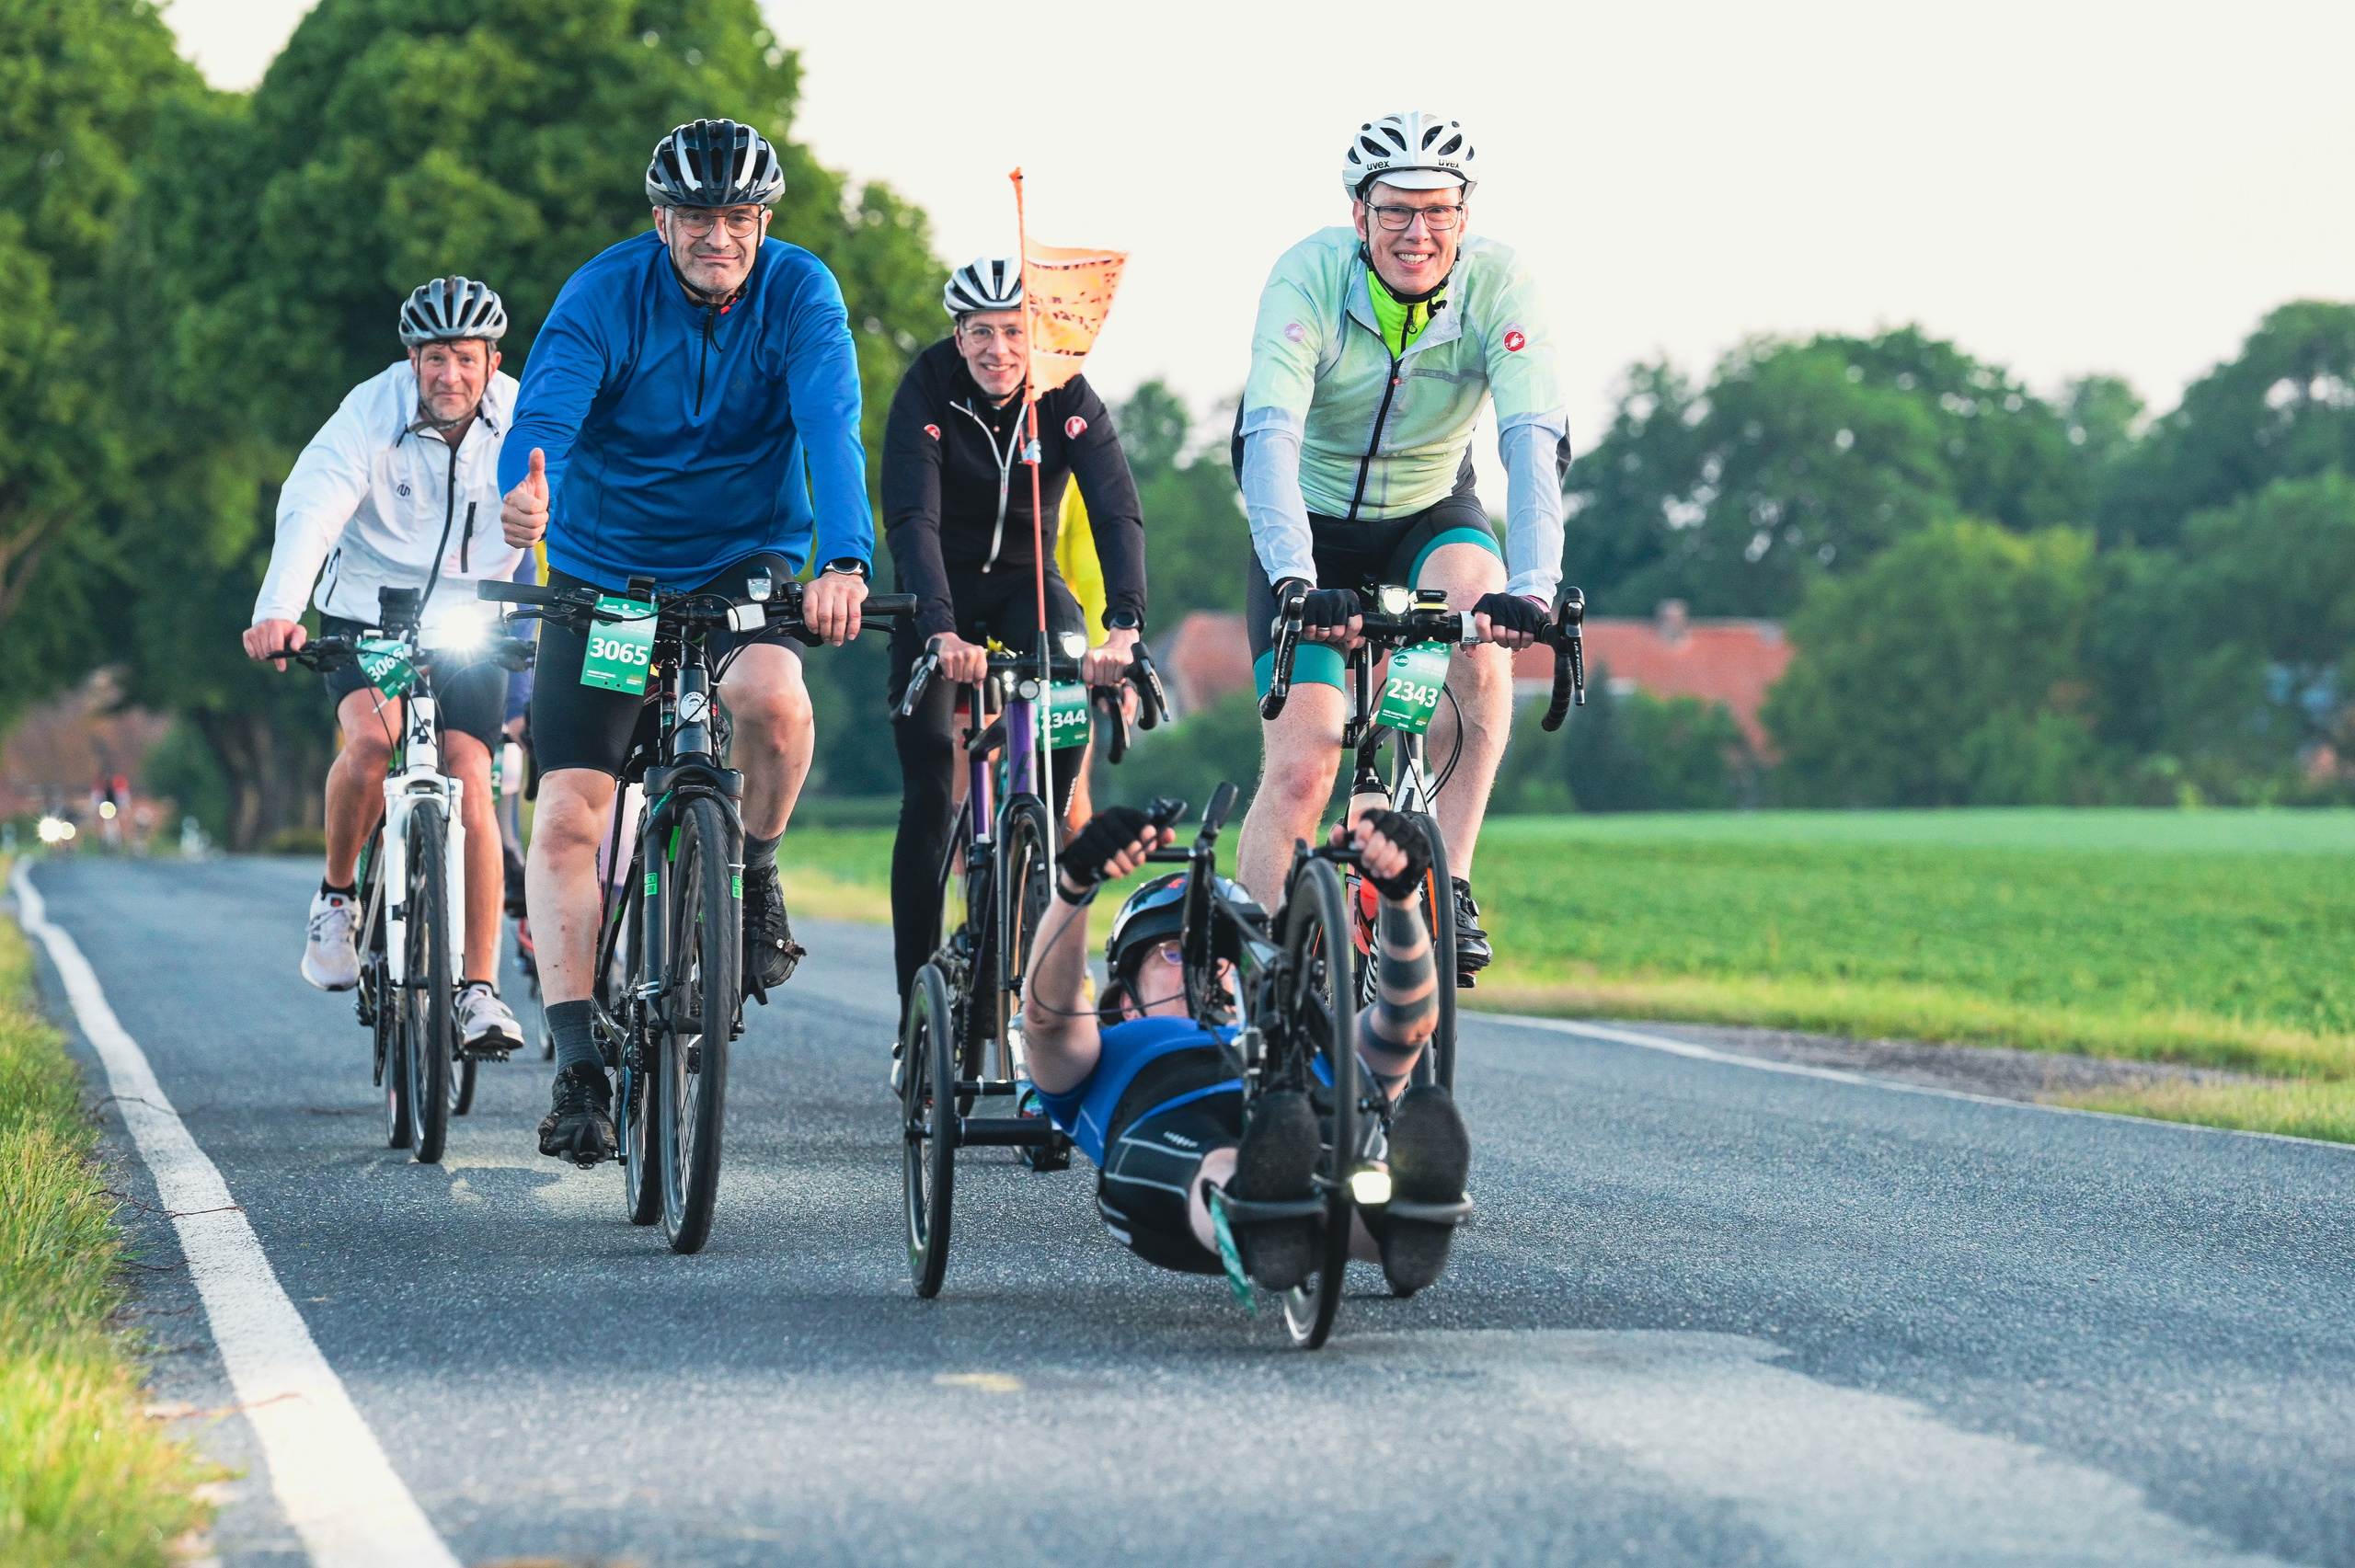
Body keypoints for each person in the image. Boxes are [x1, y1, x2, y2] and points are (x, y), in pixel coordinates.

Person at [499, 119, 875, 1162]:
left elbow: (829, 425)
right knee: (574, 811)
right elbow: (547, 417)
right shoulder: (604, 293)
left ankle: (752, 872)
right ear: (662, 221)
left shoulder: (800, 293)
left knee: (772, 702)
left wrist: (843, 559)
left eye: (740, 216)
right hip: (612, 575)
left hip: (742, 558)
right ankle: (577, 1062)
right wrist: (523, 492)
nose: (721, 234)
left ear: (763, 222)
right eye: (700, 216)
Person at [1232, 111, 1569, 983]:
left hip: (1428, 513)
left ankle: (1450, 879)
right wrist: (1296, 579)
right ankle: (1263, 986)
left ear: (1465, 213)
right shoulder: (1307, 277)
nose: (1418, 232)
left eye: (1438, 210)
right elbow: (1268, 434)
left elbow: (1533, 435)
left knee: (1485, 636)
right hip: (1309, 531)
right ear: (1359, 214)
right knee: (1307, 766)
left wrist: (1534, 584)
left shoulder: (1500, 284)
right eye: (1396, 211)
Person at [243, 275, 529, 1056]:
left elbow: (576, 498)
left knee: (472, 774)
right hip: (369, 610)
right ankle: (338, 897)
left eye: (466, 358)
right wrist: (280, 606)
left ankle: (478, 990)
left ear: (491, 359)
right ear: (412, 358)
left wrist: (551, 530)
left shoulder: (526, 412)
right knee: (373, 743)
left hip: (475, 615)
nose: (449, 375)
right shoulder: (368, 414)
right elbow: (313, 503)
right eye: (434, 357)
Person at [1017, 804, 1471, 1295]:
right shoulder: (1106, 1053)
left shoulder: (1296, 1038)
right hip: (1167, 1159)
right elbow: (1046, 1016)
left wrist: (1399, 899)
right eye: (1173, 952)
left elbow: (1407, 1024)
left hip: (1295, 1117)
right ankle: (1262, 1205)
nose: (1207, 968)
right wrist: (1075, 888)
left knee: (1356, 1168)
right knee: (1222, 1164)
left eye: (1224, 957)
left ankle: (1402, 1219)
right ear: (1126, 1001)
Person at [880, 257, 1148, 1008]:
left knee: (1065, 769)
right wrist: (937, 628)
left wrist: (1124, 626)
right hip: (938, 592)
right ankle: (914, 1007)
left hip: (1028, 587)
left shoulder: (1067, 394)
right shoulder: (928, 389)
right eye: (982, 332)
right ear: (959, 336)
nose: (1000, 349)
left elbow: (1115, 510)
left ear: (1039, 335)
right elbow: (913, 520)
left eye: (1015, 331)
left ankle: (1033, 865)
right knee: (931, 791)